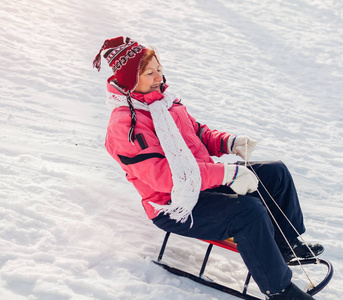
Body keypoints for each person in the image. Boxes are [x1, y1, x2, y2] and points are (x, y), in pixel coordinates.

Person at [93, 36, 324, 300]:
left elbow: (197, 133)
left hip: (204, 182)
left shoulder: (164, 101)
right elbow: (166, 179)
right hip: (174, 205)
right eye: (150, 72)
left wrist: (229, 143)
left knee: (276, 172)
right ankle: (280, 289)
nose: (159, 76)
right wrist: (228, 173)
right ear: (129, 79)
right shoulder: (126, 125)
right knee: (249, 212)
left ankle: (286, 245)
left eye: (159, 68)